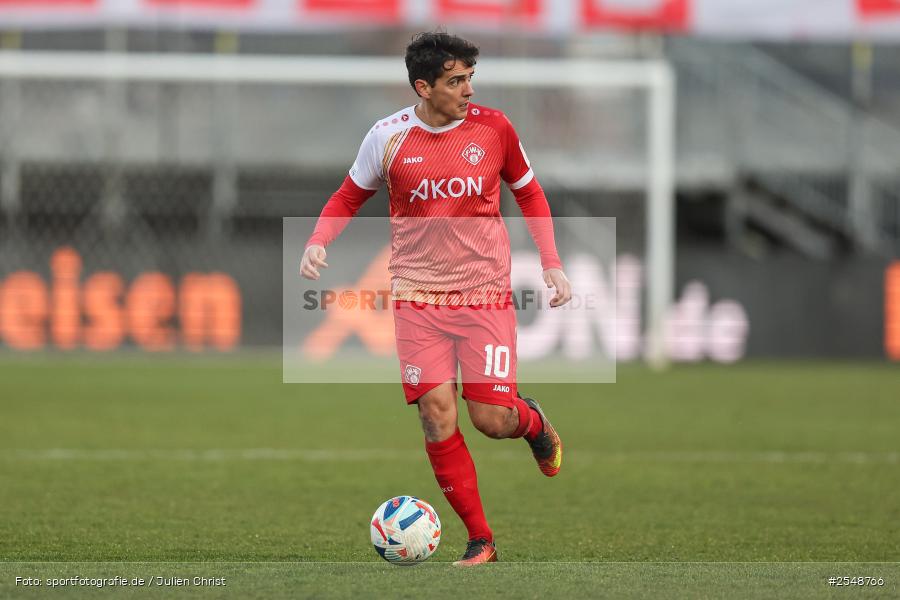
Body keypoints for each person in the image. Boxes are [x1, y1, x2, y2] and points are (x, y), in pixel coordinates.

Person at [300, 31, 572, 566]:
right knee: (436, 413)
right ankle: (482, 540)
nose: (468, 89)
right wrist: (317, 240)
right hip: (416, 299)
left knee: (491, 420)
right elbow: (348, 194)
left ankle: (534, 424)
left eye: (470, 78)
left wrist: (552, 263)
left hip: (483, 295)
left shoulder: (495, 129)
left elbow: (529, 192)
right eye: (455, 81)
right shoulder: (387, 137)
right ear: (423, 87)